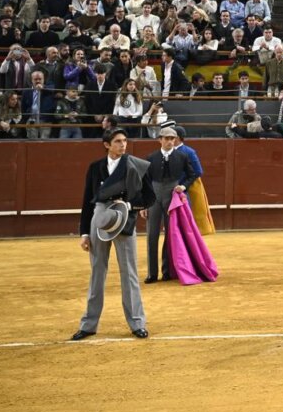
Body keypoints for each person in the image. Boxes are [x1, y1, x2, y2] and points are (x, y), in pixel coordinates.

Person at [70, 127, 156, 341]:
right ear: (107, 145)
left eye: (124, 141)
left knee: (130, 273)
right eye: (118, 141)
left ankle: (137, 323)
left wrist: (127, 203)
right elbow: (87, 201)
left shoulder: (134, 165)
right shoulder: (95, 167)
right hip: (99, 220)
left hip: (125, 220)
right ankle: (89, 325)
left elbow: (149, 197)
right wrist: (83, 233)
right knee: (97, 272)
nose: (123, 145)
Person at [145, 126, 199, 283]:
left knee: (171, 235)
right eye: (167, 138)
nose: (170, 141)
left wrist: (183, 186)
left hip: (172, 196)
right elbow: (145, 182)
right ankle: (152, 273)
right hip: (154, 196)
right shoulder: (151, 158)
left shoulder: (182, 157)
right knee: (152, 235)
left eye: (172, 139)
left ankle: (167, 271)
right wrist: (144, 204)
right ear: (160, 140)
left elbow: (192, 175)